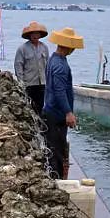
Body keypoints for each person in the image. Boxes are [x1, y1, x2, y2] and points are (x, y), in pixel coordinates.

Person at [42, 27, 83, 179]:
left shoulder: (54, 59)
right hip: (56, 114)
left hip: (50, 110)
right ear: (69, 46)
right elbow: (60, 91)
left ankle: (55, 176)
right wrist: (69, 112)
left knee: (54, 147)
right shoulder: (60, 66)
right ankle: (57, 180)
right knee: (57, 150)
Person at [14, 21, 50, 114]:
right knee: (28, 106)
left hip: (42, 82)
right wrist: (21, 82)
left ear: (40, 35)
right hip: (29, 83)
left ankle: (40, 123)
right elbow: (18, 66)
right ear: (29, 35)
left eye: (37, 33)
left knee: (40, 105)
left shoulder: (44, 47)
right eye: (33, 34)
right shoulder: (22, 49)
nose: (35, 36)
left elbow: (48, 65)